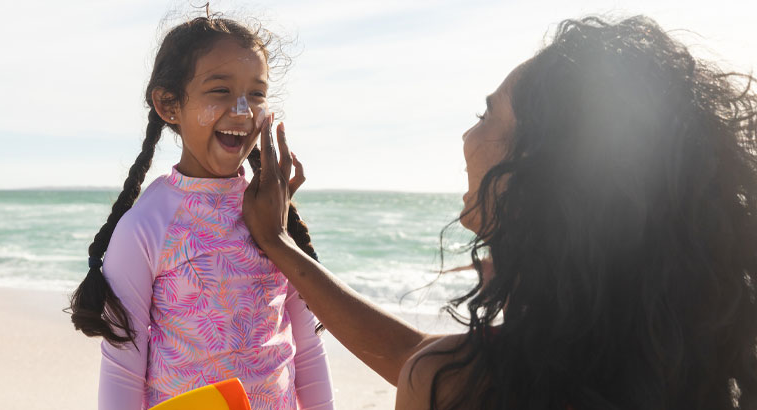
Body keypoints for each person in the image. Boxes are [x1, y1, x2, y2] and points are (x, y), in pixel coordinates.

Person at [243, 16, 757, 410]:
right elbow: (427, 359)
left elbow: (436, 371)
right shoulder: (682, 356)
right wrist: (281, 247)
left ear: (535, 167)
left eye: (486, 115)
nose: (468, 136)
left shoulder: (457, 381)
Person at [68, 15, 334, 410]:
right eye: (221, 91)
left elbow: (307, 349)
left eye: (256, 94)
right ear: (169, 104)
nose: (243, 111)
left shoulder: (271, 213)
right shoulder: (147, 225)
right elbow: (122, 368)